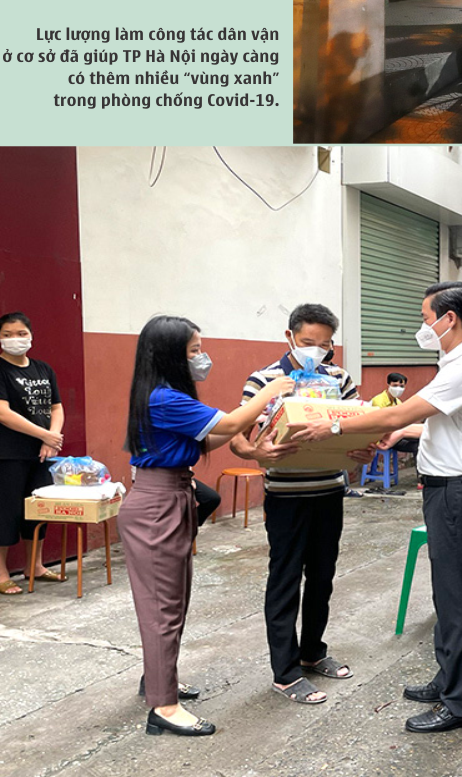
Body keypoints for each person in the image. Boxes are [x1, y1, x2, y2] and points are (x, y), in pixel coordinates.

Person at [292, 281, 462, 733]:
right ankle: (448, 679)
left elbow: (396, 413)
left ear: (450, 319)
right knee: (447, 597)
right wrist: (403, 435)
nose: (424, 328)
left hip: (459, 494)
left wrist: (332, 427)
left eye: (428, 319)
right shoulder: (456, 363)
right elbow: (444, 429)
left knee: (461, 602)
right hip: (449, 489)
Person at [119, 315, 299, 736]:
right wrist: (269, 392)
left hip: (172, 496)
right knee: (163, 606)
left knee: (172, 602)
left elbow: (211, 437)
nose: (202, 358)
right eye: (194, 350)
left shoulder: (162, 397)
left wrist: (256, 438)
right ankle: (163, 707)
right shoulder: (164, 398)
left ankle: (157, 680)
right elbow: (230, 424)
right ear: (171, 355)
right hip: (158, 503)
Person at [229, 304, 361, 706]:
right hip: (286, 495)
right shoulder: (265, 380)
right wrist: (257, 454)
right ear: (289, 337)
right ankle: (285, 672)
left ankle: (312, 651)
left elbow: (360, 426)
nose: (315, 351)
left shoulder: (339, 379)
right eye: (307, 343)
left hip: (328, 491)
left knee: (322, 577)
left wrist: (362, 451)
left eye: (324, 345)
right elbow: (236, 435)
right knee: (286, 579)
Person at [0, 312, 67, 594]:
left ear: (30, 335)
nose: (14, 339)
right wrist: (44, 434)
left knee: (37, 511)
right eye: (7, 334)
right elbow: (0, 412)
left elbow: (56, 407)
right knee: (4, 511)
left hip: (42, 453)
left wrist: (51, 440)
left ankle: (35, 566)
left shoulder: (43, 369)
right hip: (6, 453)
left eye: (20, 333)